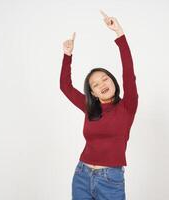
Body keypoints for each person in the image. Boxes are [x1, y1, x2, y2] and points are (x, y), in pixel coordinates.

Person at [60, 10, 138, 200]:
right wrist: (67, 56)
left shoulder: (127, 107)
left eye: (105, 79)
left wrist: (119, 34)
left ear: (113, 81)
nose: (102, 84)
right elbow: (65, 87)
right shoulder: (90, 107)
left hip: (110, 180)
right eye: (95, 84)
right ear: (93, 93)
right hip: (82, 175)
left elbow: (128, 70)